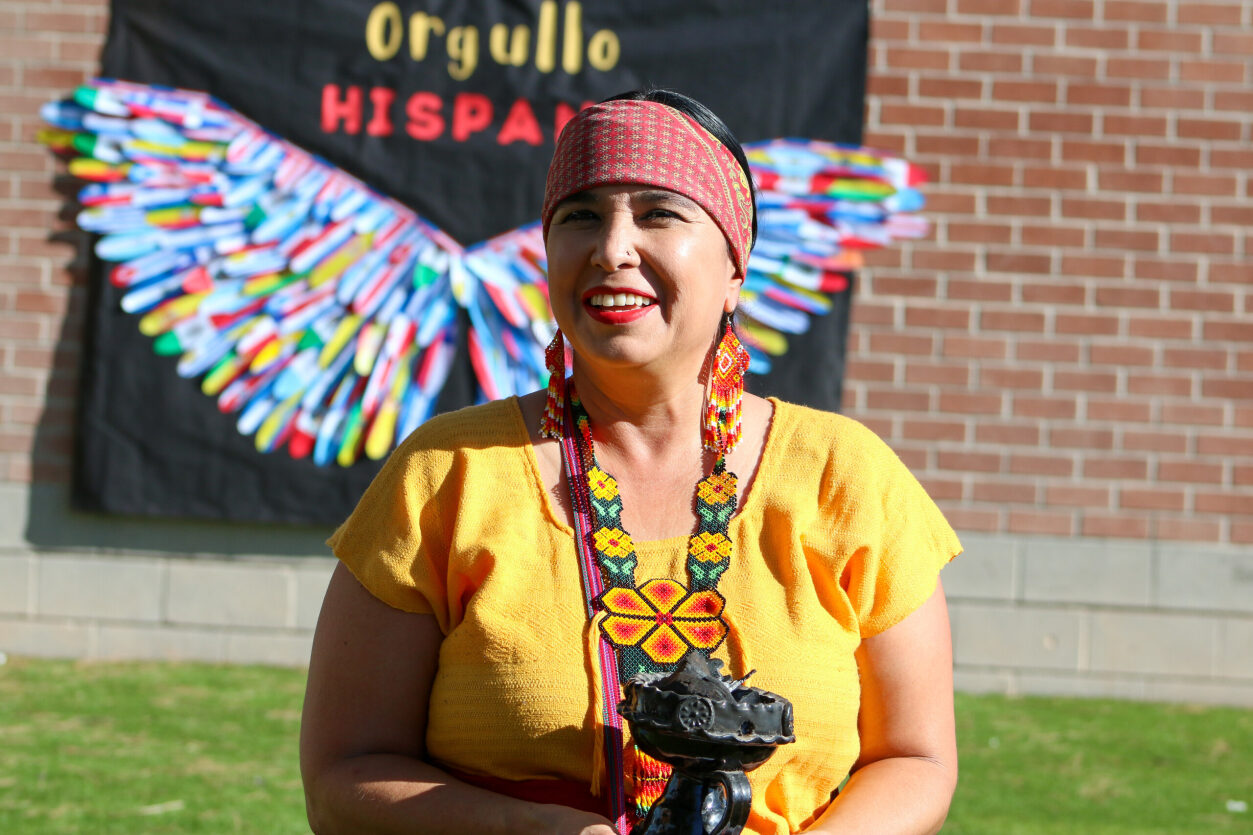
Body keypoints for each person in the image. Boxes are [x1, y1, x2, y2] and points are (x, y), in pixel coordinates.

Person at [300, 89, 961, 835]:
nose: (612, 247)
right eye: (580, 214)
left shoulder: (845, 476)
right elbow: (343, 778)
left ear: (735, 266)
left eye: (659, 212)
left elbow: (914, 758)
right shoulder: (447, 473)